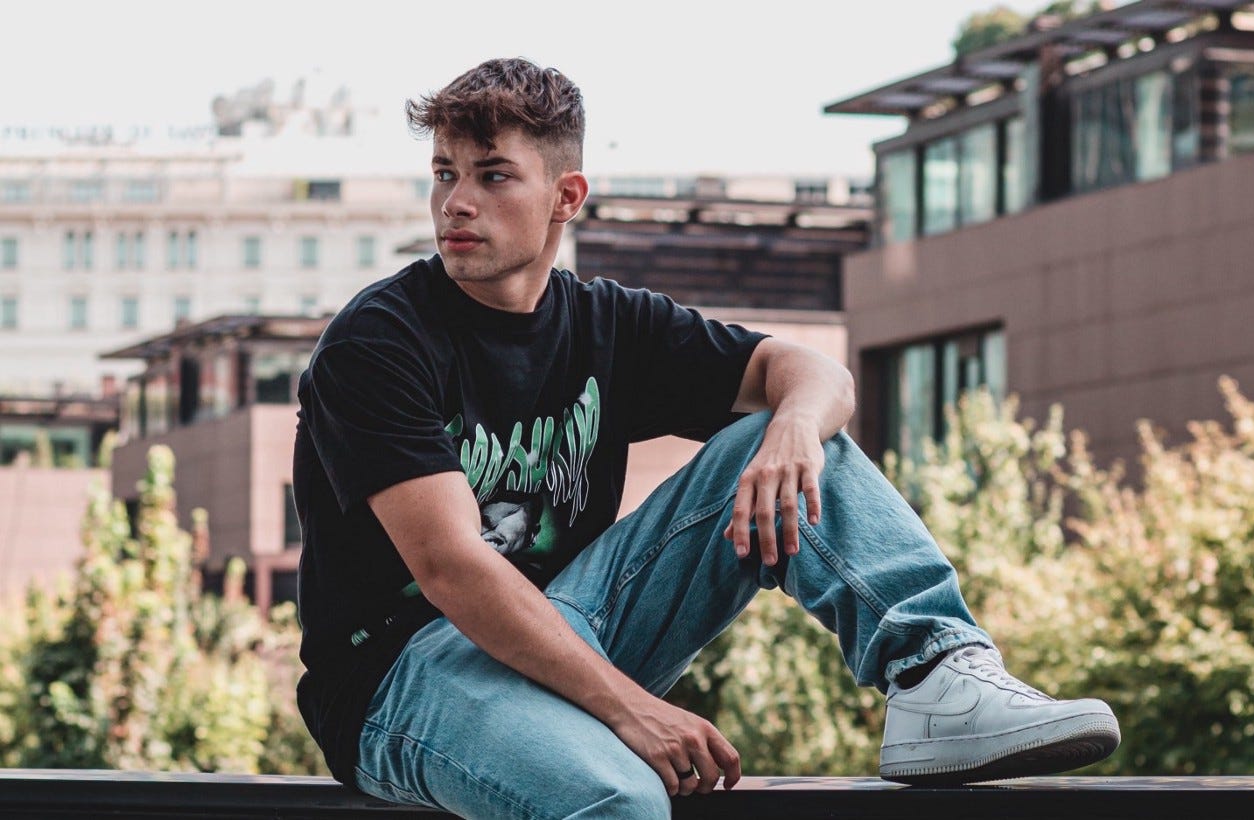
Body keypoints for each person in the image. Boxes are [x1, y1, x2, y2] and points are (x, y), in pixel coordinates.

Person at [293, 57, 1120, 819]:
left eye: (492, 175)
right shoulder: (381, 339)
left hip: (568, 627)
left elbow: (815, 374)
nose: (455, 203)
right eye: (444, 175)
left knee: (792, 441)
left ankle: (934, 672)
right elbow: (452, 568)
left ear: (565, 195)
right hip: (401, 679)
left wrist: (793, 428)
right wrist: (633, 709)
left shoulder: (606, 323)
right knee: (619, 802)